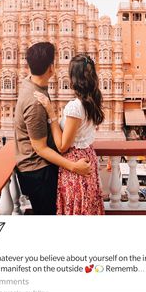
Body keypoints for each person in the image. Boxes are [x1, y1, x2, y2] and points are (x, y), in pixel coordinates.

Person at [14, 42, 91, 215]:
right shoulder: (35, 103)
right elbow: (40, 148)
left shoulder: (31, 83)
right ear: (51, 67)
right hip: (37, 170)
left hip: (37, 167)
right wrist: (73, 167)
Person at [34, 54, 105, 215]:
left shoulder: (75, 107)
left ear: (74, 78)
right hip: (87, 157)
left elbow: (62, 146)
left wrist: (51, 113)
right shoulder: (93, 100)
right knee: (88, 205)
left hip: (75, 162)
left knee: (76, 206)